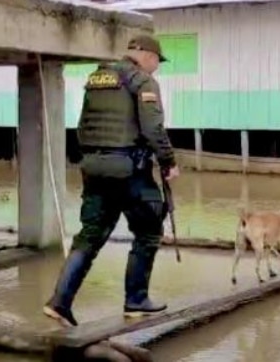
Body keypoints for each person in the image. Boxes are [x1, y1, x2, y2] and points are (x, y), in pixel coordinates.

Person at [43, 34, 180, 327]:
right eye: (157, 61)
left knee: (89, 236)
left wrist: (92, 159)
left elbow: (82, 126)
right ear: (146, 55)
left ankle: (59, 302)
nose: (156, 67)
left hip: (93, 168)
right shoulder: (142, 81)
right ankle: (136, 300)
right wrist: (169, 162)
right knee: (148, 230)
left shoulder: (97, 79)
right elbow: (154, 128)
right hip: (129, 170)